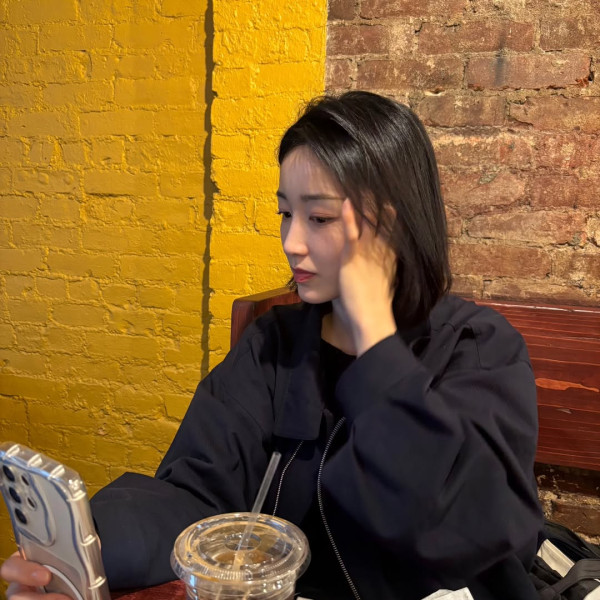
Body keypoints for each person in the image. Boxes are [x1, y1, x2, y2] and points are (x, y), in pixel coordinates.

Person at [2, 91, 544, 600]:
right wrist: (90, 553)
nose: (291, 242)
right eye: (286, 213)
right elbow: (195, 494)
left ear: (388, 229)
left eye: (319, 217)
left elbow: (469, 533)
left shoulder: (476, 349)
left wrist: (375, 338)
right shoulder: (275, 346)